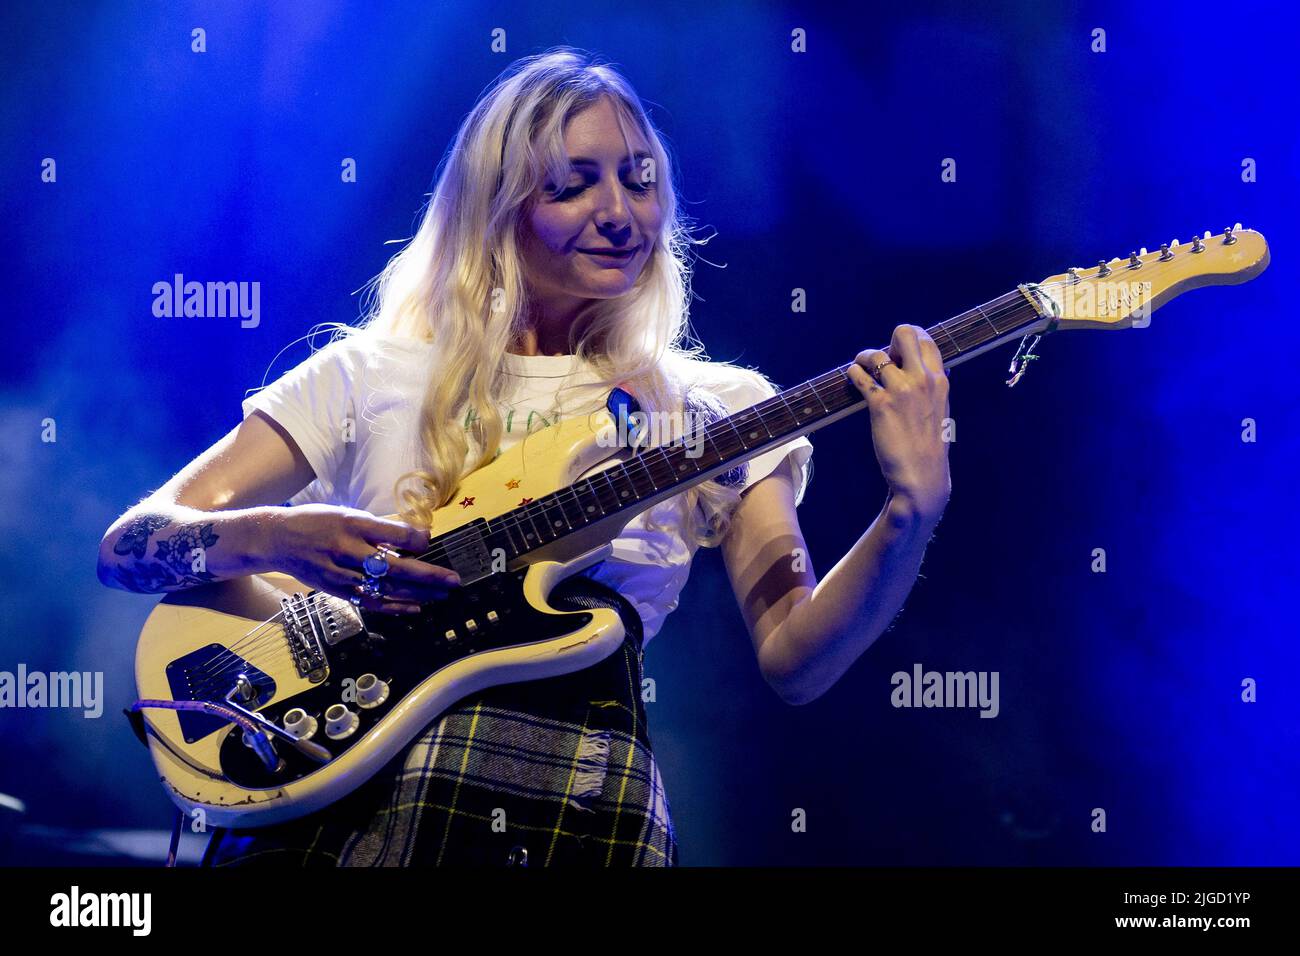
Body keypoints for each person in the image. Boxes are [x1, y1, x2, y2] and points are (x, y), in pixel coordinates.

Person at [97, 47, 951, 867]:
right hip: (344, 784)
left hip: (581, 798)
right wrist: (277, 538)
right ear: (498, 203)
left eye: (640, 180)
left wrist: (909, 513)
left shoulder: (716, 407)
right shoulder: (368, 373)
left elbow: (797, 660)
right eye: (574, 185)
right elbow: (129, 545)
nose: (620, 212)